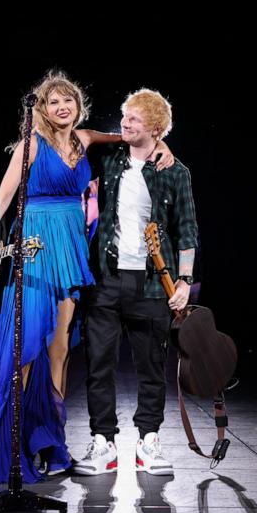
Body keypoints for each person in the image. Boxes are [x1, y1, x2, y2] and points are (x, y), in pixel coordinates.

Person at [0, 71, 175, 483]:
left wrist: (162, 144)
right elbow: (2, 197)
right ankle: (10, 442)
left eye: (68, 101)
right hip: (34, 243)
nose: (62, 107)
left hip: (70, 247)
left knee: (59, 348)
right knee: (24, 347)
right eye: (53, 102)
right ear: (42, 110)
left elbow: (128, 138)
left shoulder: (84, 140)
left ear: (78, 105)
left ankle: (50, 442)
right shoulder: (30, 146)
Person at [73, 88, 198, 477]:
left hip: (151, 284)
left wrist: (184, 281)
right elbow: (81, 135)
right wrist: (144, 139)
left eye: (134, 120)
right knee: (99, 364)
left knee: (151, 365)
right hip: (106, 278)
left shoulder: (175, 172)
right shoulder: (109, 161)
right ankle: (103, 442)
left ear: (156, 128)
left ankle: (149, 441)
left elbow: (187, 230)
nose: (125, 123)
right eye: (124, 116)